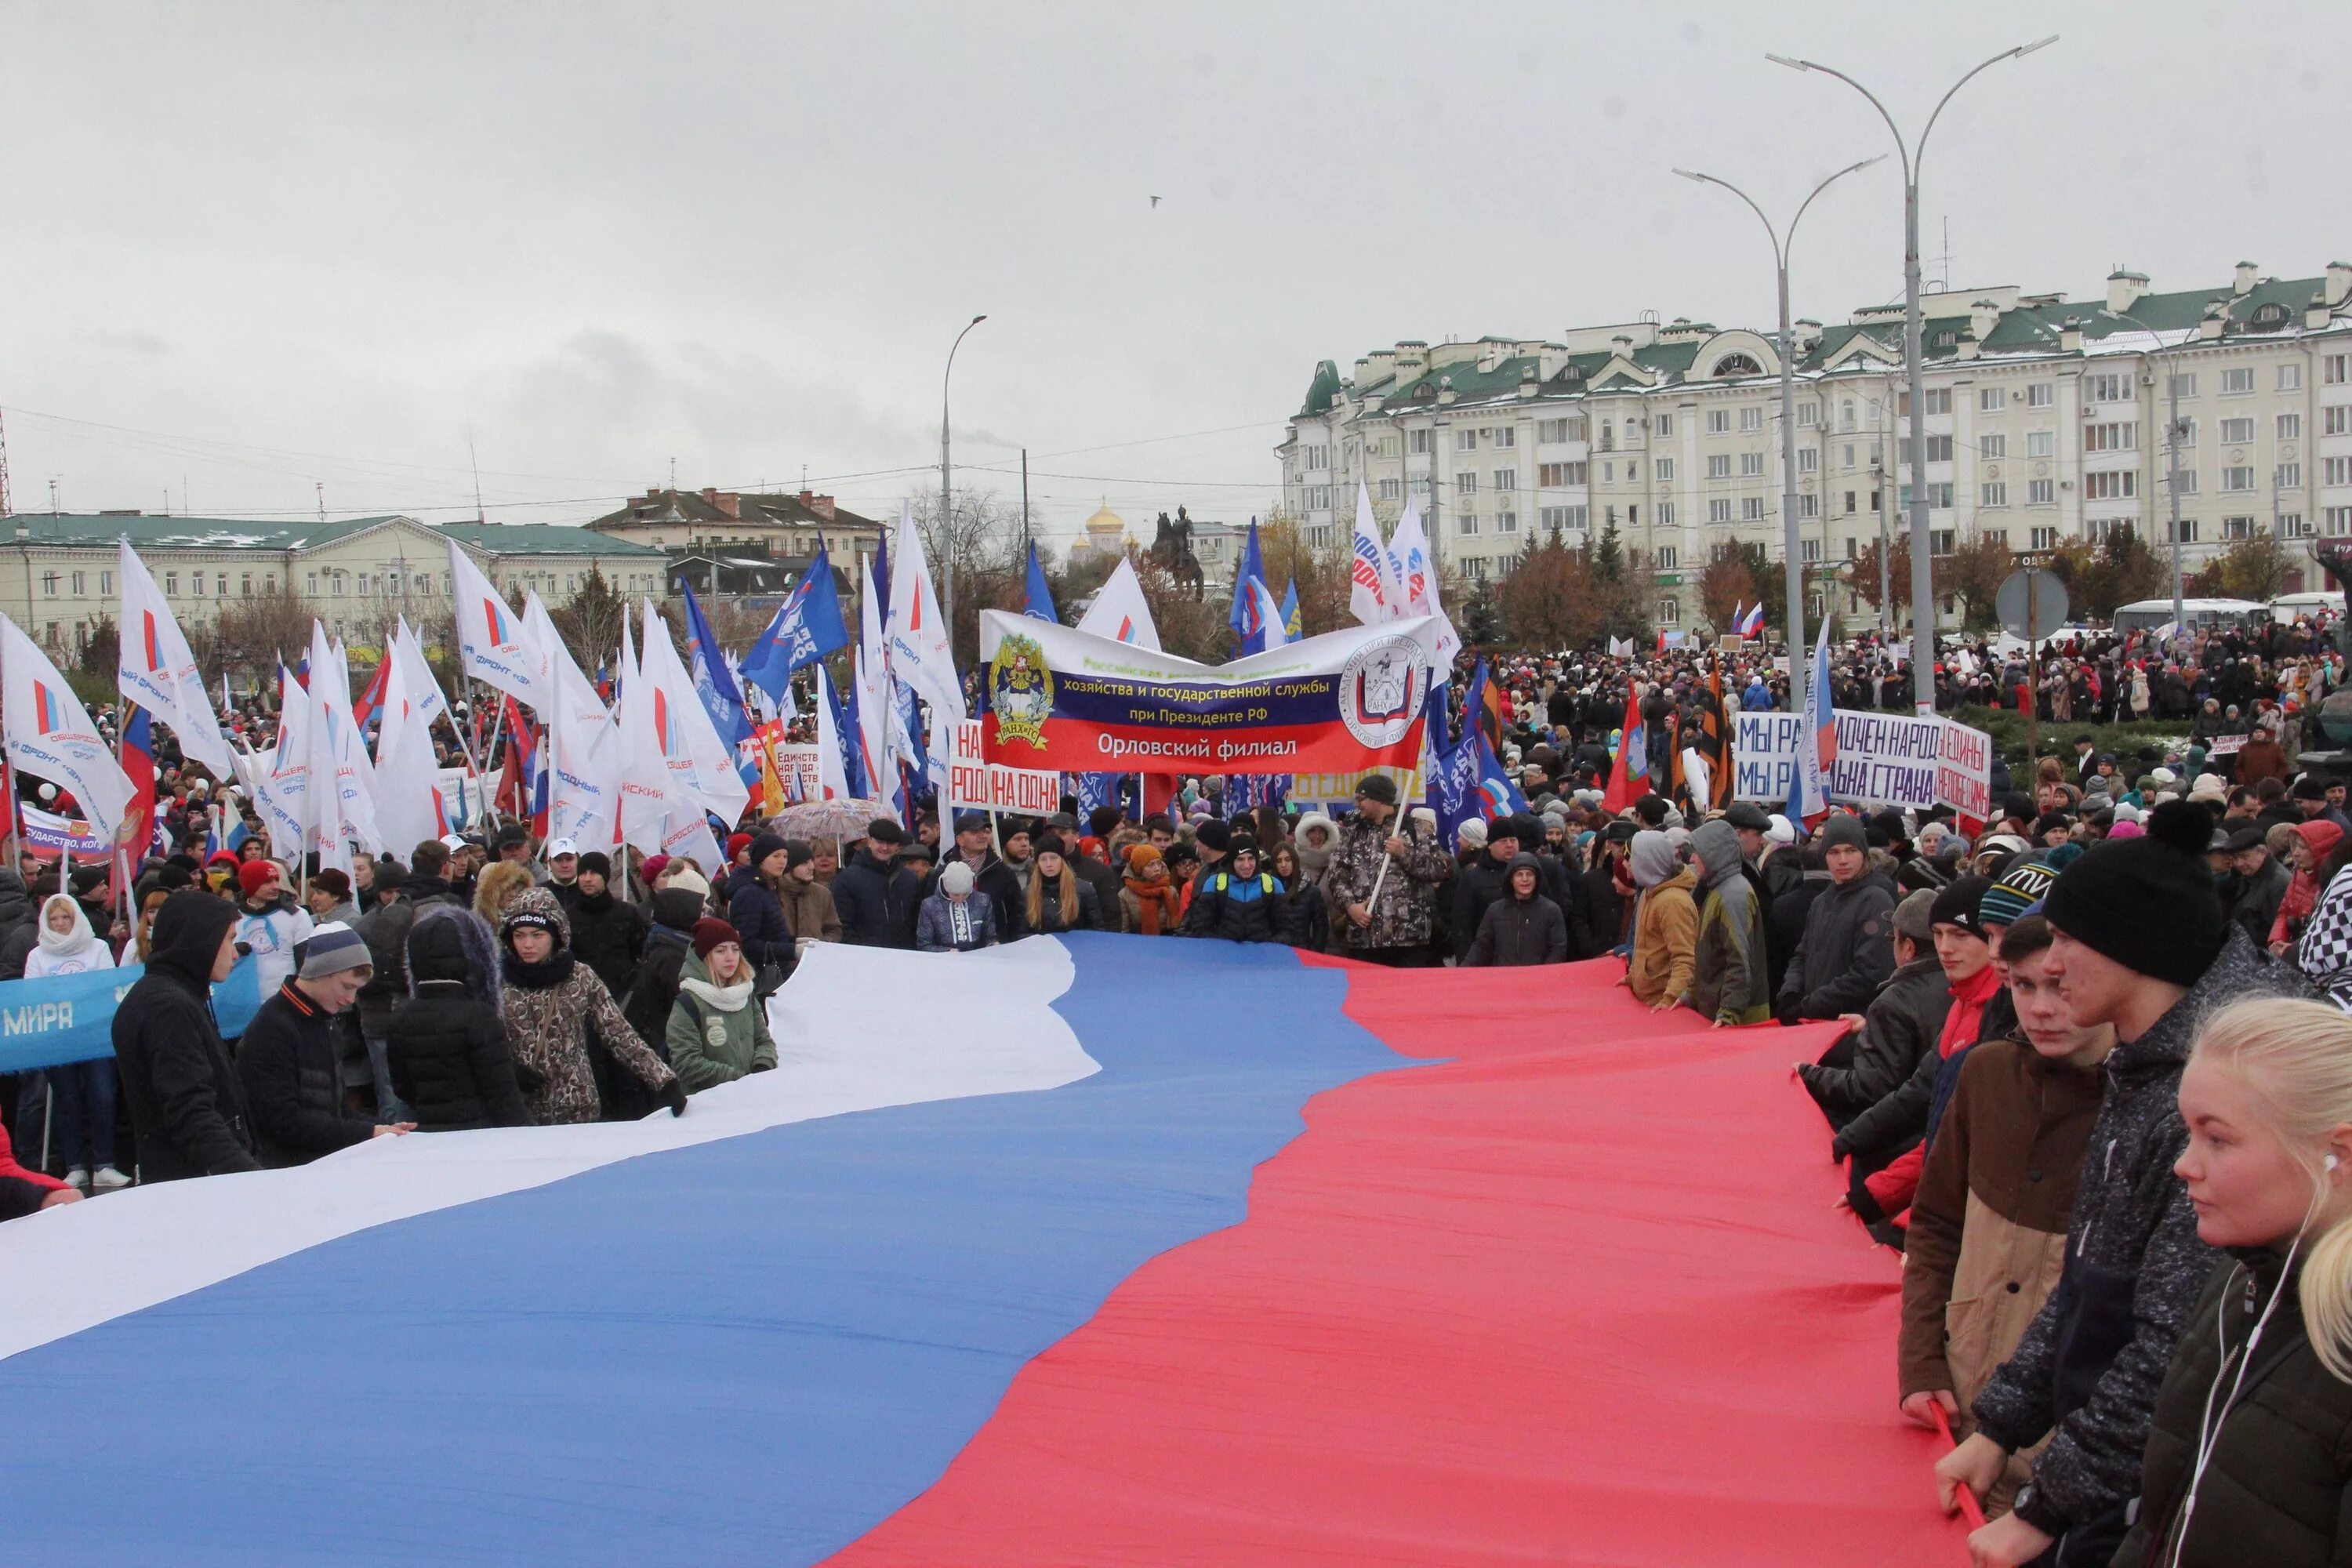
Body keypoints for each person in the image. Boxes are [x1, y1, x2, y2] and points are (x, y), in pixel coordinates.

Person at [1940, 800, 2317, 1568]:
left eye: (2070, 942)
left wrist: (2046, 1506)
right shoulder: (2142, 1061)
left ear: (2132, 949)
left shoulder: (2213, 1096)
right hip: (2106, 1481)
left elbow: (2174, 1346)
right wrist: (2002, 1424)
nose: (2049, 965)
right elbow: (2089, 1274)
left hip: (2147, 1496)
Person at [2111, 996, 2352, 1566]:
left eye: (2217, 1139)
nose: (2184, 1165)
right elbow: (2161, 1520)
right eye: (2189, 1133)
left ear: (2337, 1155)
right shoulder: (2241, 1279)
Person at [1897, 916, 2108, 1517]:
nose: (2040, 1009)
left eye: (2058, 988)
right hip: (1961, 1397)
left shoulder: (2149, 1110)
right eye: (2021, 987)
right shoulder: (1985, 1073)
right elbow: (1936, 1223)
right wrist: (1920, 1362)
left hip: (2066, 1442)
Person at [497, 889, 684, 1126]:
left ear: (556, 935)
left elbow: (617, 1032)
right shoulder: (495, 980)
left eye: (537, 935)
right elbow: (484, 1041)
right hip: (518, 1109)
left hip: (576, 1108)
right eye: (519, 935)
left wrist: (663, 1079)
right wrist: (508, 1071)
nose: (528, 944)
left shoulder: (580, 977)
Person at [237, 924, 413, 1167]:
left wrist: (380, 1127)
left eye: (357, 990)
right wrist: (367, 1133)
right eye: (347, 986)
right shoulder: (272, 1028)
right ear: (321, 973)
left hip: (321, 1163)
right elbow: (282, 1120)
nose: (351, 999)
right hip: (286, 1170)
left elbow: (335, 1110)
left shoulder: (324, 1021)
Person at [111, 891, 257, 1182]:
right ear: (200, 939)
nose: (235, 952)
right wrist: (248, 1178)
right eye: (229, 939)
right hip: (191, 1185)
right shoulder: (168, 1009)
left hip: (189, 1178)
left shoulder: (174, 995)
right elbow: (191, 1113)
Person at [1795, 888, 1951, 1128]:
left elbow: (1867, 1089)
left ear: (1908, 948)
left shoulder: (1894, 1001)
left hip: (1900, 1137)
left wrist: (1808, 1074)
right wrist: (1870, 1025)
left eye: (1893, 938)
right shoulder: (1955, 986)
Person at [386, 906, 530, 1132]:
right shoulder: (479, 1017)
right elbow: (502, 1094)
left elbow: (402, 1087)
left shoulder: (401, 1019)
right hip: (479, 1134)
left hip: (430, 1133)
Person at [23, 893, 126, 1189]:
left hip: (95, 1037)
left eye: (65, 918)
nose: (59, 924)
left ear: (75, 918)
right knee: (67, 1102)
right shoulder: (38, 955)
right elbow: (33, 996)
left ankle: (105, 1164)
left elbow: (106, 986)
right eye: (53, 919)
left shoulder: (96, 948)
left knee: (103, 1097)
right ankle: (76, 1166)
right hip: (60, 1041)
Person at [1774, 813, 1897, 1023]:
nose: (1843, 860)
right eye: (1834, 852)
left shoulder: (1876, 900)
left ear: (1864, 854)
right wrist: (1790, 992)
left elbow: (1870, 973)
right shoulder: (1821, 901)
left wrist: (1809, 1005)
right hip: (1816, 1023)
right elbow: (1802, 955)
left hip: (1850, 1024)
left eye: (1851, 851)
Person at [1321, 775, 1452, 967]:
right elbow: (1336, 876)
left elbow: (1440, 869)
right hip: (1364, 937)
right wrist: (1351, 907)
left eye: (1361, 799)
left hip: (1407, 938)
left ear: (1378, 800)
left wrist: (1404, 853)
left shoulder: (1415, 828)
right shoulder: (1352, 832)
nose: (1356, 804)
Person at [664, 919, 779, 1093]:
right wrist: (738, 1080)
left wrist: (762, 1067)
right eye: (720, 950)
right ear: (705, 956)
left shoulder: (746, 995)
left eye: (735, 949)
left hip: (753, 1096)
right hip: (709, 1104)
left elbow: (765, 1042)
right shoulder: (688, 1002)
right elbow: (686, 1063)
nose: (730, 957)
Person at [1683, 818, 1770, 1026]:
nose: (1693, 858)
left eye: (1698, 852)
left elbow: (1740, 960)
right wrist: (1692, 994)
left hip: (1741, 1018)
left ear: (1714, 854)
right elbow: (1710, 956)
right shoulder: (1718, 888)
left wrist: (1729, 1012)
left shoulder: (1733, 894)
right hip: (1721, 1012)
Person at [622, 885, 709, 1051]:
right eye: (700, 912)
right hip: (667, 1041)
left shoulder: (671, 944)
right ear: (682, 914)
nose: (704, 917)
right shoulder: (671, 957)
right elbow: (684, 1002)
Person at [920, 814, 1026, 943]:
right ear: (960, 840)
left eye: (984, 831)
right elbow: (928, 918)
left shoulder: (1003, 873)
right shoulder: (942, 875)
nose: (982, 836)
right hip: (953, 955)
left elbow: (1017, 916)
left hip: (996, 952)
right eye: (974, 832)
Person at [1624, 829, 1697, 1011]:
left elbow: (1685, 958)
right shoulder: (1649, 893)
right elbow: (1645, 946)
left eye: (1634, 857)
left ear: (1647, 862)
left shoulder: (1672, 902)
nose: (1629, 863)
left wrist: (1670, 999)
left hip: (1661, 1004)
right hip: (1648, 1000)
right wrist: (1632, 977)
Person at [564, 850, 649, 1000]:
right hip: (581, 998)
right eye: (583, 873)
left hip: (623, 998)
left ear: (605, 876)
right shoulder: (567, 917)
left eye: (594, 873)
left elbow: (642, 953)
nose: (588, 879)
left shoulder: (627, 913)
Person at [1461, 852, 1567, 967]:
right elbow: (1481, 947)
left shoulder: (1551, 910)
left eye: (1529, 874)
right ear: (1511, 879)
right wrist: (1462, 971)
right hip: (1504, 979)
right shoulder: (1495, 911)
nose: (1525, 879)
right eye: (1519, 875)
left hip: (1537, 980)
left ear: (1536, 879)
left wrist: (1542, 975)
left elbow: (1558, 949)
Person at [233, 858, 314, 1005]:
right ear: (250, 885)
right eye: (267, 882)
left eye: (277, 880)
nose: (276, 886)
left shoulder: (297, 915)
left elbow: (307, 963)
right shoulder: (232, 917)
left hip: (285, 1002)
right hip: (243, 1002)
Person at [833, 818, 922, 949]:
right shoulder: (847, 879)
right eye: (880, 842)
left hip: (903, 957)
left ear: (898, 846)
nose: (885, 848)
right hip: (864, 958)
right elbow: (843, 925)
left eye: (890, 843)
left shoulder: (909, 879)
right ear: (869, 841)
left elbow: (916, 923)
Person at [722, 833, 795, 986]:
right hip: (759, 977)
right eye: (775, 856)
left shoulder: (765, 887)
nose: (782, 861)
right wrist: (792, 950)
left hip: (776, 971)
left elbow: (771, 933)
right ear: (761, 858)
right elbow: (748, 944)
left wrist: (794, 942)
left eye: (785, 856)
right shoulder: (750, 893)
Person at [1182, 838, 1286, 943]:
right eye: (1240, 859)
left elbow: (1286, 930)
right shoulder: (1214, 884)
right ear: (1232, 861)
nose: (1246, 865)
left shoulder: (1272, 885)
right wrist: (1224, 946)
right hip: (1224, 954)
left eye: (1251, 858)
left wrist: (1268, 946)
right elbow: (1200, 928)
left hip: (1262, 954)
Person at [1024, 834, 1102, 935]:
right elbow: (1022, 934)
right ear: (1037, 863)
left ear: (1062, 860)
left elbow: (1097, 930)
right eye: (1043, 859)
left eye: (1053, 858)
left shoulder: (1083, 890)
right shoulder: (1027, 894)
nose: (1048, 864)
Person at [917, 860, 996, 953]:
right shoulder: (930, 906)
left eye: (965, 894)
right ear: (946, 888)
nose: (960, 899)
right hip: (945, 960)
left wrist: (992, 944)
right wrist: (946, 951)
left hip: (977, 958)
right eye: (955, 894)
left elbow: (990, 935)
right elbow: (924, 944)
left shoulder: (983, 901)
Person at [776, 841, 843, 948]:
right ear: (789, 867)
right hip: (783, 959)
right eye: (804, 863)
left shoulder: (822, 894)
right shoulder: (772, 892)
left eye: (812, 861)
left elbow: (834, 929)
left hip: (815, 958)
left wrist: (824, 944)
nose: (812, 867)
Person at [1269, 841, 1328, 952]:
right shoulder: (1267, 889)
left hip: (1303, 953)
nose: (1284, 865)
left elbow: (1321, 926)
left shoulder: (1311, 891)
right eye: (1279, 861)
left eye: (1288, 859)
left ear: (1294, 861)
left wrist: (1314, 952)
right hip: (1275, 952)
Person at [1120, 843, 1182, 936]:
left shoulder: (1171, 891)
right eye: (1151, 865)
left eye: (1159, 863)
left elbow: (1179, 927)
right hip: (1137, 944)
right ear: (1139, 869)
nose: (1157, 869)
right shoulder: (1124, 896)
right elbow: (1125, 930)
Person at [472, 859, 535, 928]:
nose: (513, 894)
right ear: (491, 895)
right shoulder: (477, 926)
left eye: (516, 888)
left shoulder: (533, 917)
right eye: (506, 890)